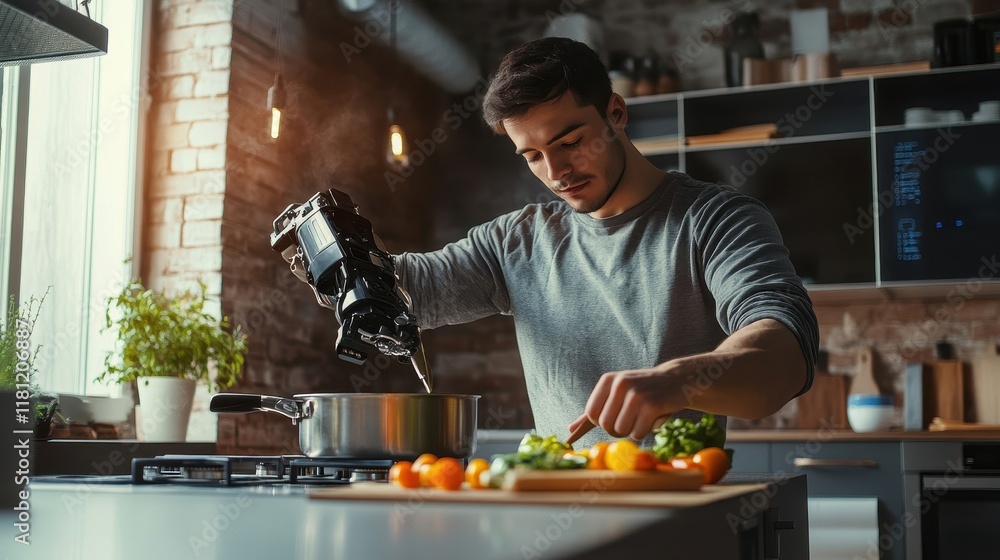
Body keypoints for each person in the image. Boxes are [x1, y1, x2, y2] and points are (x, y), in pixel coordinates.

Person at [293, 38, 819, 449]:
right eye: (532, 156)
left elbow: (784, 352)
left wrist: (679, 380)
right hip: (554, 516)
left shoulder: (716, 221)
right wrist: (335, 263)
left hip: (672, 515)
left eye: (569, 143)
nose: (556, 171)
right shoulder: (517, 241)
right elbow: (410, 293)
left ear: (616, 113)